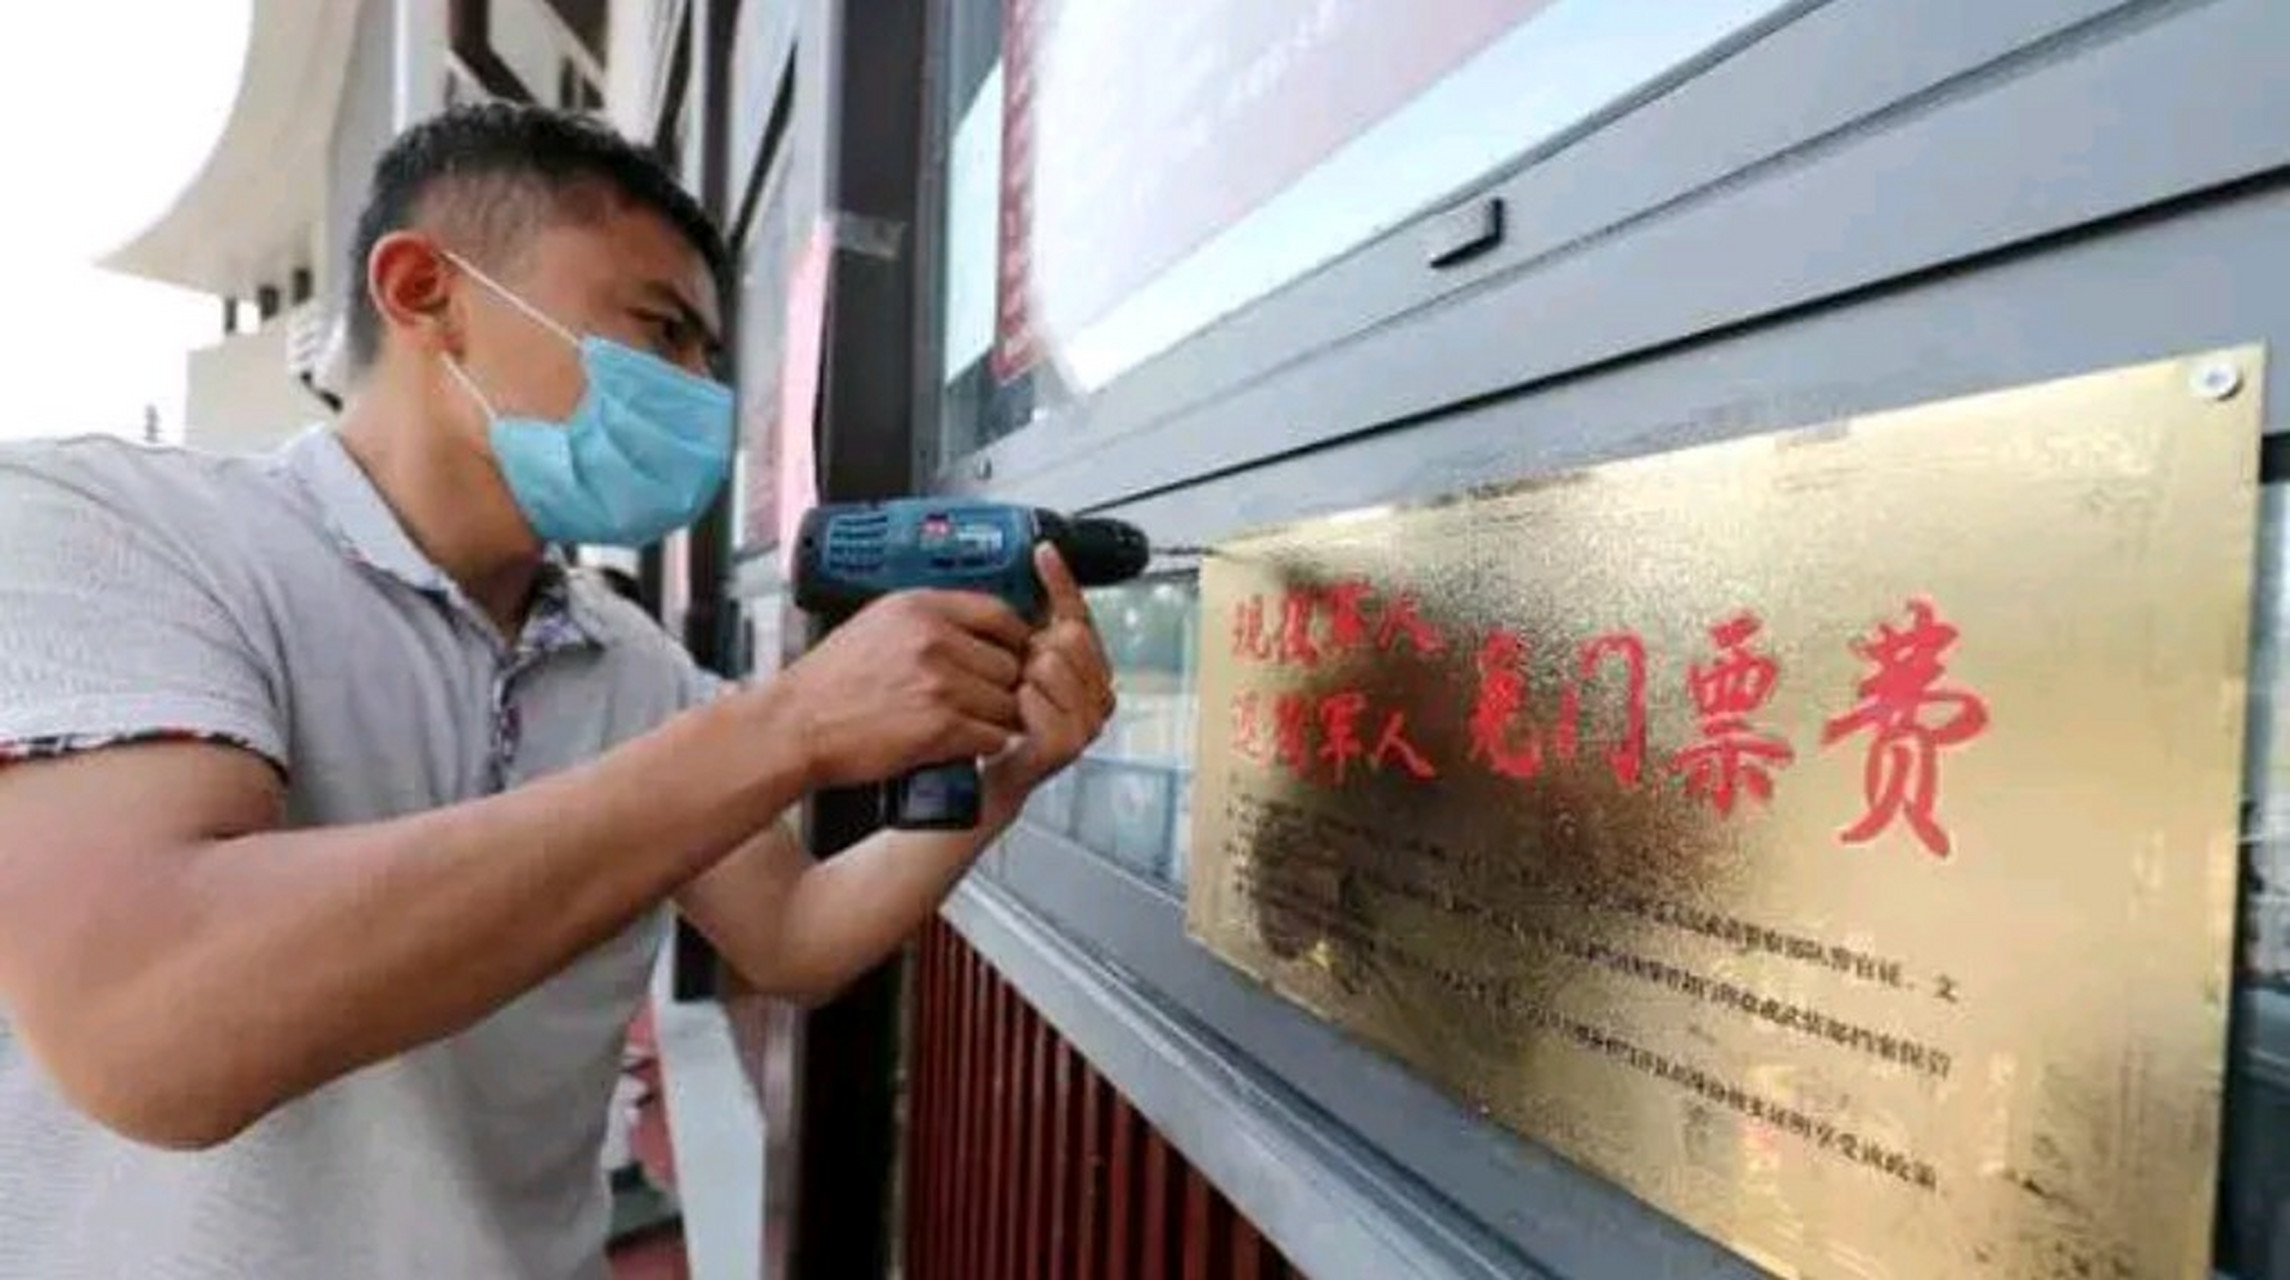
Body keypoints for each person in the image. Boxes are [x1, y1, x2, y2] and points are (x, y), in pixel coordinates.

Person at [0, 103, 1116, 1279]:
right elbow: (152, 1021)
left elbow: (792, 933)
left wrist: (1002, 778)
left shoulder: (626, 662)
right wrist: (783, 725)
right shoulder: (112, 530)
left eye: (710, 357)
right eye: (662, 330)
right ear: (426, 288)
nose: (701, 396)